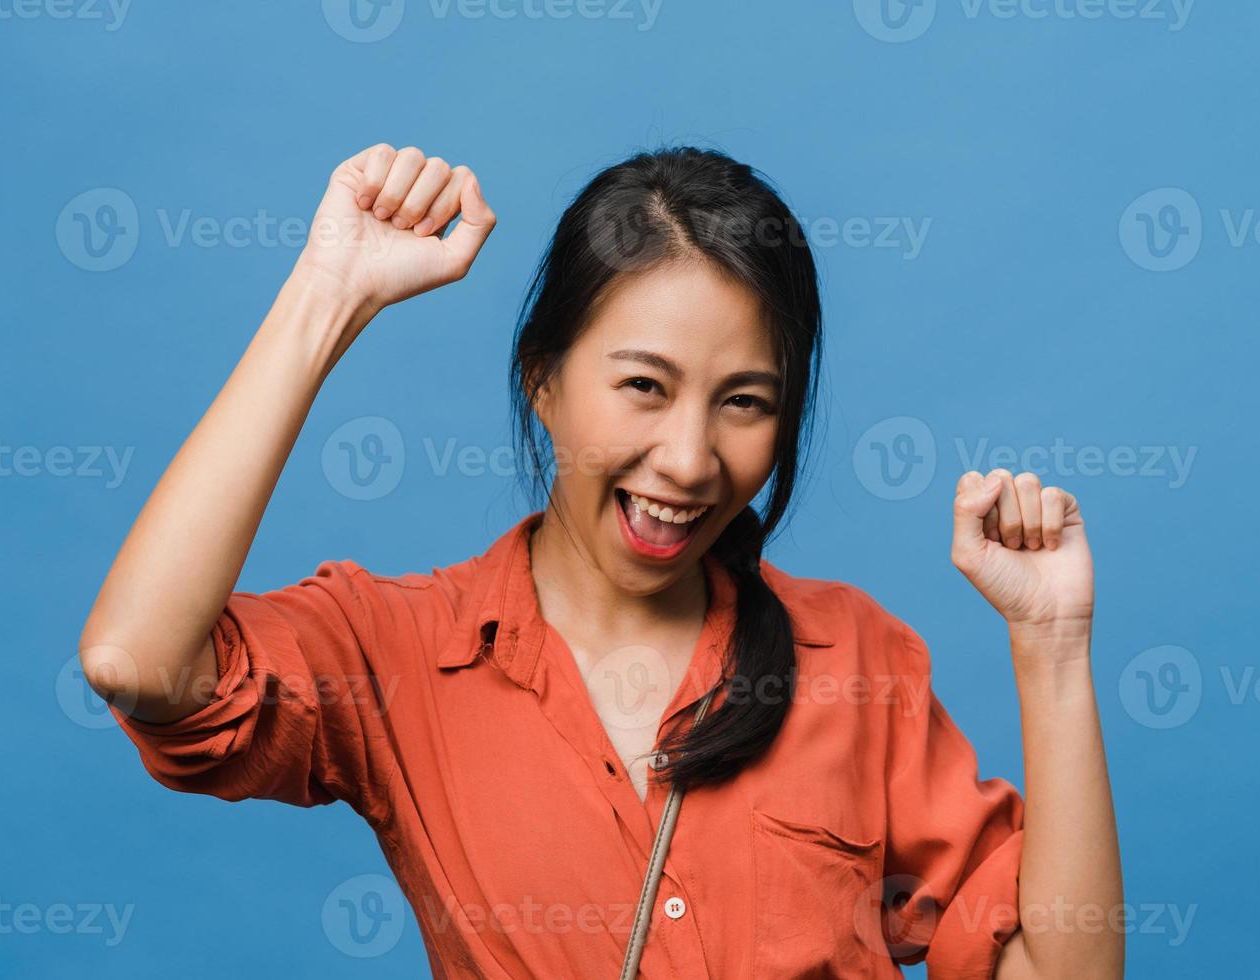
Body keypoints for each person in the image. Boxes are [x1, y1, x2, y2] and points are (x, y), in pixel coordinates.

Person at [79, 142, 1123, 978]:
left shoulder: (855, 657)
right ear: (543, 377)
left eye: (745, 402)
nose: (690, 458)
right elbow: (139, 661)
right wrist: (326, 297)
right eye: (643, 385)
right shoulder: (398, 650)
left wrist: (1054, 648)